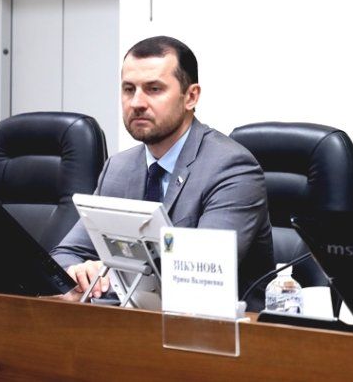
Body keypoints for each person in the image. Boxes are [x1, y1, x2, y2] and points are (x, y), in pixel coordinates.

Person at [51, 35, 274, 309]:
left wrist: (111, 275)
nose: (137, 102)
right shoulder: (118, 168)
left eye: (154, 89)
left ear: (191, 96)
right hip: (133, 324)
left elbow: (200, 277)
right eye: (128, 89)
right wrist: (77, 272)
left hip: (219, 329)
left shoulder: (232, 168)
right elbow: (64, 256)